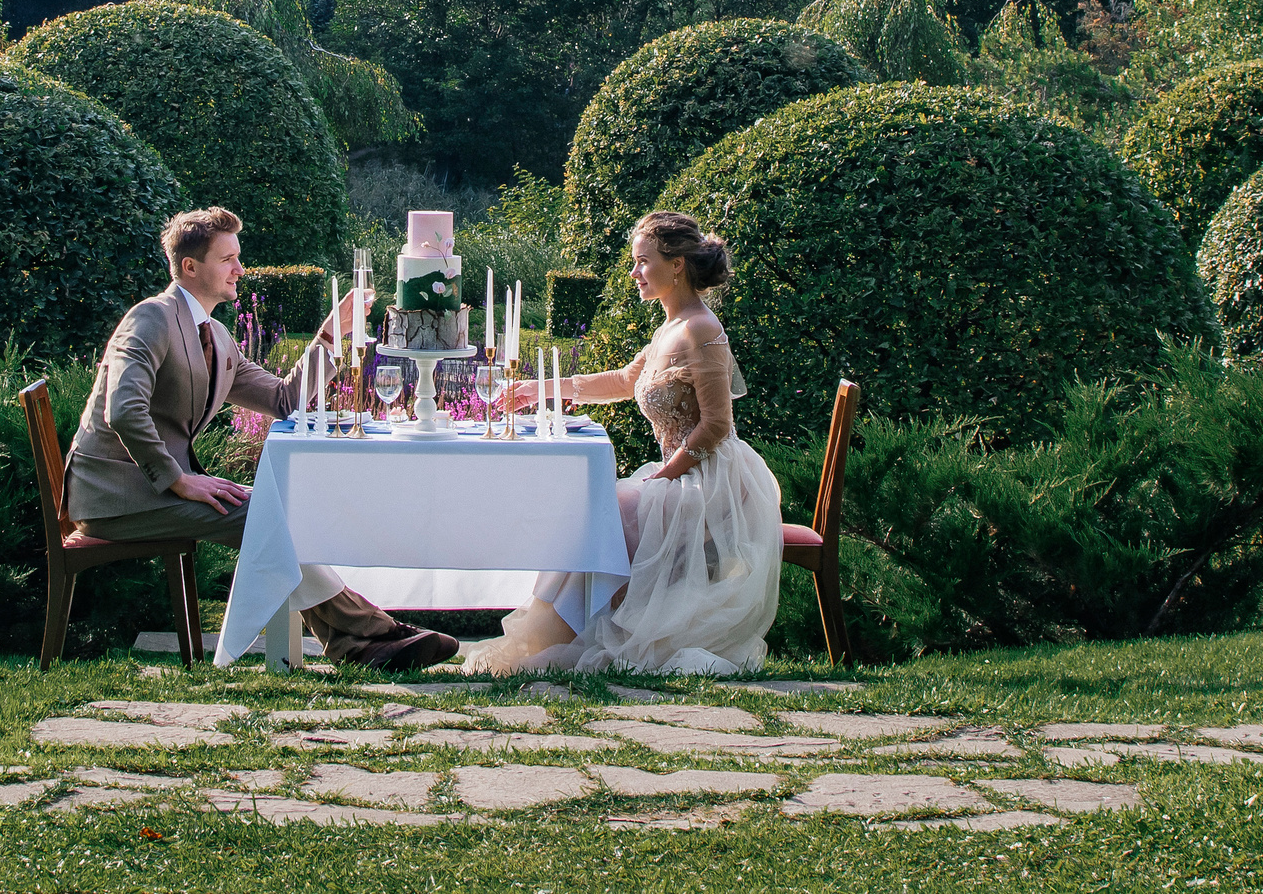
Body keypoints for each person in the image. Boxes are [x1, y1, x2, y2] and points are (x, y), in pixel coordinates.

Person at [65, 206, 460, 670]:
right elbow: (123, 409)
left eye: (238, 257)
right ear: (190, 267)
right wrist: (178, 479)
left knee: (282, 510)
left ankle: (359, 643)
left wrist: (330, 335)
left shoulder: (215, 336)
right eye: (227, 259)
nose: (240, 268)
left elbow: (282, 398)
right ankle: (375, 634)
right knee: (271, 516)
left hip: (154, 495)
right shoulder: (150, 318)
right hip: (115, 498)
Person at [462, 209, 782, 675]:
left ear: (676, 265)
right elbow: (623, 382)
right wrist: (539, 389)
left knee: (608, 510)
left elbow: (716, 426)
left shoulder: (702, 329)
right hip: (679, 474)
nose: (634, 273)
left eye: (643, 262)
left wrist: (663, 477)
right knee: (595, 511)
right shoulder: (668, 328)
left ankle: (576, 640)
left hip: (712, 482)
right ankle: (555, 639)